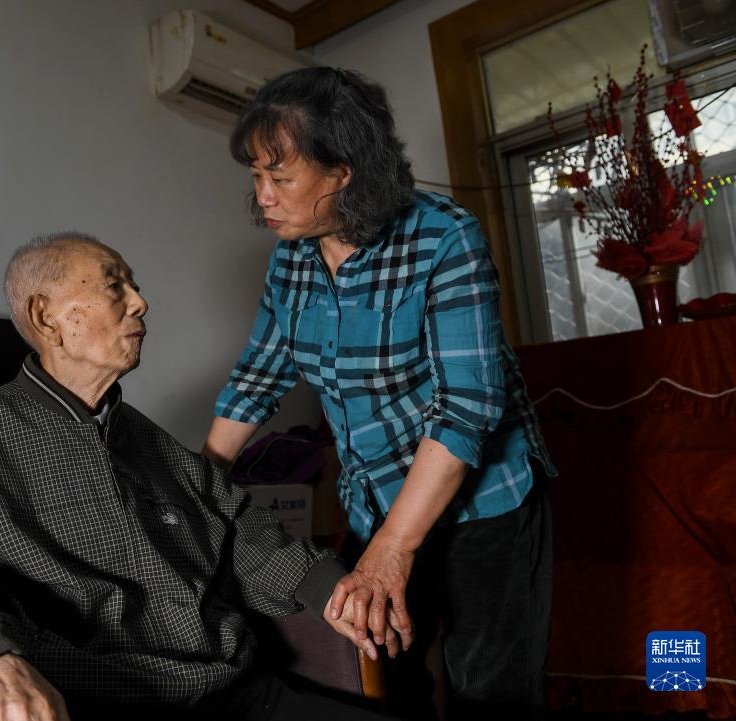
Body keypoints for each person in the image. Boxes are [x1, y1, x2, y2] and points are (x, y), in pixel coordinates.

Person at [0, 232, 394, 721]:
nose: (141, 303)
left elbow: (236, 527)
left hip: (232, 694)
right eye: (114, 286)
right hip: (98, 705)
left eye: (134, 286)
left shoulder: (142, 437)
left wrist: (335, 590)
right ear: (46, 317)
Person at [203, 67, 556, 720]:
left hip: (484, 506)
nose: (262, 197)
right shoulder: (292, 257)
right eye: (255, 176)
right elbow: (260, 372)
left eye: (279, 177)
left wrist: (391, 552)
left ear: (342, 173)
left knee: (489, 691)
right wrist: (201, 479)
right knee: (384, 679)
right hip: (375, 501)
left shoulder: (443, 237)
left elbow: (466, 409)